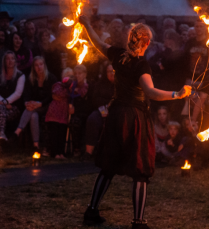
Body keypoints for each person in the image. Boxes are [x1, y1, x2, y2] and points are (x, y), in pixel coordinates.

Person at [78, 15, 191, 228]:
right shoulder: (141, 64)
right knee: (140, 169)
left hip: (115, 115)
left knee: (109, 165)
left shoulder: (118, 55)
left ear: (130, 38)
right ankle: (138, 221)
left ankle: (91, 211)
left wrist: (85, 25)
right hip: (134, 118)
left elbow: (98, 43)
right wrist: (178, 93)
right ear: (147, 43)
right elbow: (150, 92)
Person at [7, 57, 57, 152]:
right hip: (34, 106)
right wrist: (26, 102)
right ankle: (36, 146)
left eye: (41, 64)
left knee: (32, 110)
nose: (39, 67)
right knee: (33, 115)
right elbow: (26, 93)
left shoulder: (51, 78)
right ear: (33, 67)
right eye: (36, 65)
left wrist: (40, 104)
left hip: (48, 106)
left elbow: (52, 96)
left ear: (44, 65)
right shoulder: (31, 79)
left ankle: (17, 132)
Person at [83, 62, 115, 160]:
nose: (111, 73)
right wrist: (104, 106)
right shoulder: (100, 84)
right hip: (101, 110)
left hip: (116, 111)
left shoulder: (121, 85)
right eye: (109, 71)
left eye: (113, 71)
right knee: (92, 119)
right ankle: (89, 152)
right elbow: (95, 99)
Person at [0, 51, 25, 141]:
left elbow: (18, 93)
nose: (10, 61)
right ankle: (1, 134)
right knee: (0, 109)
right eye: (7, 58)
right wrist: (4, 103)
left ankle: (0, 136)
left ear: (15, 61)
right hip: (1, 106)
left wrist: (5, 102)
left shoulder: (20, 76)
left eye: (12, 58)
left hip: (13, 107)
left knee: (0, 111)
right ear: (4, 61)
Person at [45, 75, 73, 159]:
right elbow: (57, 93)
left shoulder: (71, 88)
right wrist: (67, 88)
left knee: (62, 134)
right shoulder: (58, 85)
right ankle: (55, 153)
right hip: (54, 114)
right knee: (54, 134)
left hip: (63, 115)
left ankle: (61, 152)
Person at [69, 65, 93, 156]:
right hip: (77, 114)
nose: (77, 76)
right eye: (75, 74)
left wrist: (77, 109)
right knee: (75, 122)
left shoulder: (89, 86)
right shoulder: (72, 87)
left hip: (88, 112)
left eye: (80, 73)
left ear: (85, 74)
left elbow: (91, 103)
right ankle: (76, 148)